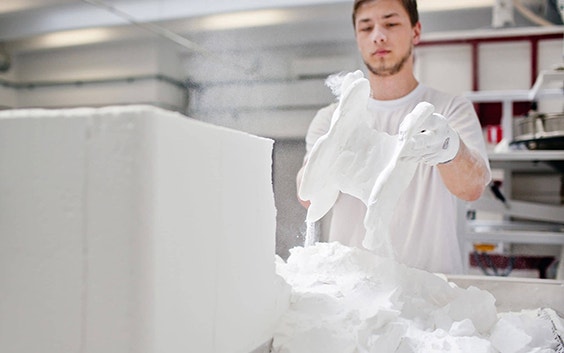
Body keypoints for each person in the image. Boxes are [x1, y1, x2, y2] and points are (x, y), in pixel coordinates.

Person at [296, 0, 491, 274]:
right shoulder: (332, 118)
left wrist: (451, 149)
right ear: (357, 38)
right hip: (355, 290)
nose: (378, 35)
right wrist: (329, 153)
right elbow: (307, 196)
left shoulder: (449, 110)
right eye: (366, 28)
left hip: (435, 291)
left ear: (416, 31)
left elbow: (473, 188)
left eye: (390, 23)